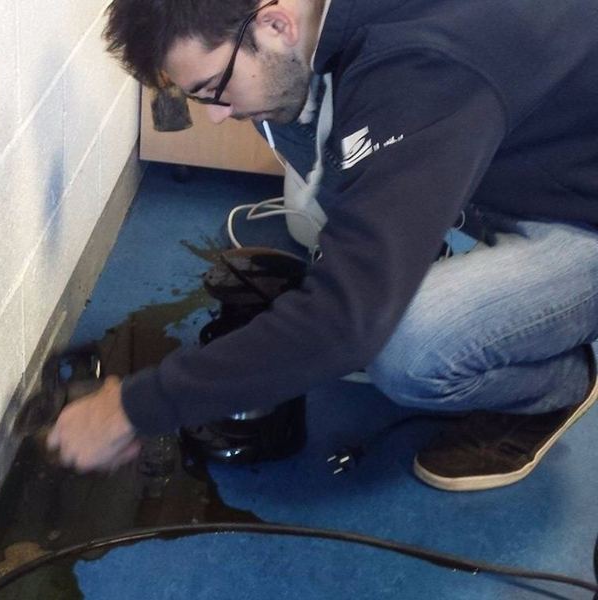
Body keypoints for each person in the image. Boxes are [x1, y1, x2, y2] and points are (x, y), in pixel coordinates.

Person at [46, 0, 598, 491]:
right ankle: (411, 258)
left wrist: (133, 410)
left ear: (275, 21)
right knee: (282, 102)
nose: (216, 114)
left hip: (577, 214)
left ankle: (556, 386)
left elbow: (347, 324)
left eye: (213, 88)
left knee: (406, 347)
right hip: (522, 156)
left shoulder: (426, 67)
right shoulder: (313, 29)